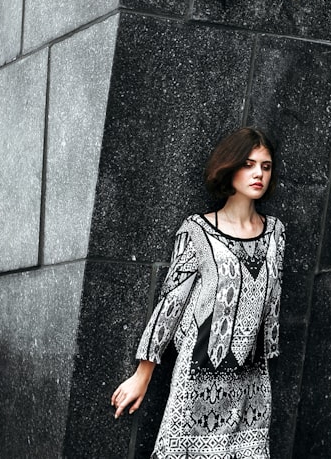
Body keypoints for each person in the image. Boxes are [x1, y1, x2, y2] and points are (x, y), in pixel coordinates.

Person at [111, 127, 285, 459]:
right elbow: (171, 303)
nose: (258, 174)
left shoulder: (277, 232)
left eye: (265, 166)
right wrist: (142, 376)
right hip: (198, 377)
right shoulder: (198, 231)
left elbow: (271, 304)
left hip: (252, 382)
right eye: (248, 164)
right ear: (230, 167)